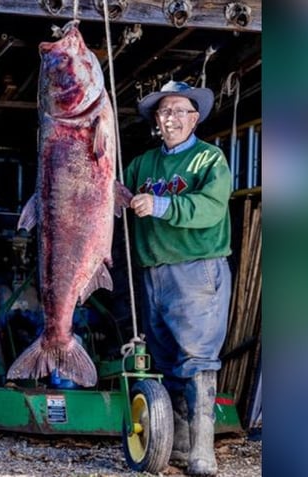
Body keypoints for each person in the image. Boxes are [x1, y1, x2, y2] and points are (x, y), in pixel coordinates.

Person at [124, 81, 232, 476]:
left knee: (197, 360)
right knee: (168, 361)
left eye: (180, 111)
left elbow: (211, 208)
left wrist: (160, 204)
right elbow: (117, 195)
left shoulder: (209, 160)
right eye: (164, 112)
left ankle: (204, 454)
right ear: (156, 120)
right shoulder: (143, 164)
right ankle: (180, 449)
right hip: (154, 270)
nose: (171, 118)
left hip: (196, 269)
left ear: (195, 117)